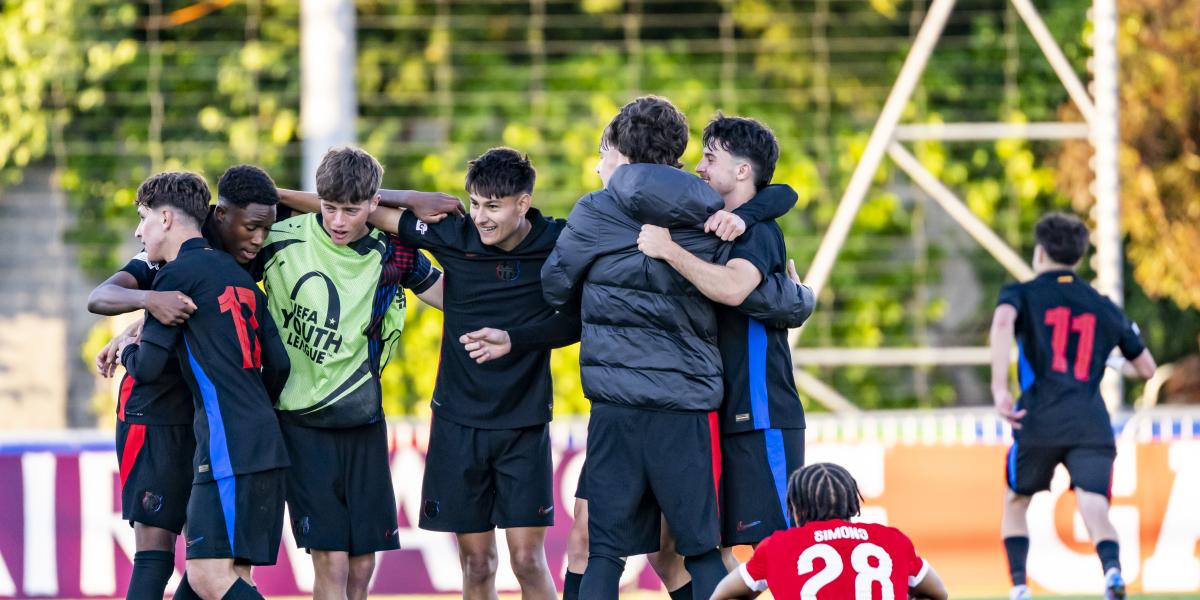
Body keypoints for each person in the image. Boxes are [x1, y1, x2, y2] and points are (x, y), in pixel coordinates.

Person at [540, 95, 743, 600]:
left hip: (618, 404)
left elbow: (554, 285)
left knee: (604, 551)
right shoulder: (714, 209)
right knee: (699, 549)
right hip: (687, 406)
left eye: (603, 152)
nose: (599, 164)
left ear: (621, 153)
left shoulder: (597, 208)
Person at [87, 164, 283, 600]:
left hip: (213, 427)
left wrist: (127, 344)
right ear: (221, 215)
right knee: (196, 565)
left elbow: (332, 203)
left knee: (203, 568)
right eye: (252, 226)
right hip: (189, 418)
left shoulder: (208, 259)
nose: (258, 238)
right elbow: (99, 296)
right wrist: (148, 301)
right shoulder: (183, 262)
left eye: (264, 227)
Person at [259, 146, 446, 600]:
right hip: (300, 423)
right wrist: (138, 326)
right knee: (332, 562)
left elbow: (450, 296)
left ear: (373, 204)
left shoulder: (393, 252)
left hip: (363, 419)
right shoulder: (277, 237)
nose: (338, 221)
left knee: (362, 567)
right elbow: (203, 270)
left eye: (351, 210)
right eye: (329, 207)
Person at [637, 114, 813, 564]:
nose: (699, 167)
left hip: (761, 413)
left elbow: (734, 288)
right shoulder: (715, 224)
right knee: (699, 550)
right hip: (712, 415)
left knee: (778, 551)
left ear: (741, 171)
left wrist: (668, 250)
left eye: (709, 158)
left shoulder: (758, 231)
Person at [990, 212, 1156, 600]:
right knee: (1094, 505)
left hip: (1038, 417)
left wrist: (999, 388)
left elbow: (1001, 324)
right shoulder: (1102, 304)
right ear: (1079, 257)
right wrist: (1111, 361)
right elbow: (1146, 368)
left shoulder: (1021, 294)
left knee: (1015, 500)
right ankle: (1112, 572)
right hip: (1090, 420)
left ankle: (1018, 587)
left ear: (1040, 252)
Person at [710, 463, 948, 600]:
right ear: (852, 502)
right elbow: (939, 593)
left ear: (796, 507)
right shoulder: (892, 539)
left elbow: (721, 594)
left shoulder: (778, 545)